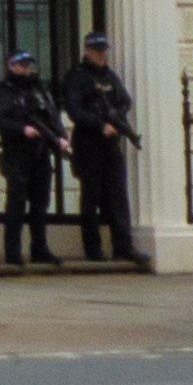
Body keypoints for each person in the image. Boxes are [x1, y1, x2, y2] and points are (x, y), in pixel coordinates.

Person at [58, 35, 137, 265]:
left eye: (104, 50)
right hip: (89, 142)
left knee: (118, 194)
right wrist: (99, 124)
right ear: (87, 50)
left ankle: (122, 246)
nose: (102, 54)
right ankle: (93, 248)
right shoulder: (77, 77)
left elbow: (124, 100)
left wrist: (116, 120)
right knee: (91, 195)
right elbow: (74, 109)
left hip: (110, 143)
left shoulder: (109, 75)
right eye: (97, 50)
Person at [0, 47, 65, 268]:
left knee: (41, 204)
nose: (25, 69)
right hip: (18, 153)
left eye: (27, 65)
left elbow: (51, 116)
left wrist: (60, 137)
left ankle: (39, 249)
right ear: (11, 66)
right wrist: (21, 129)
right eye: (21, 65)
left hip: (41, 152)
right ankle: (13, 252)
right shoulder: (5, 91)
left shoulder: (38, 89)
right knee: (17, 204)